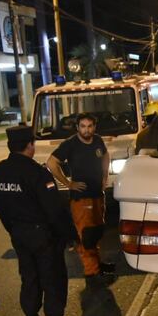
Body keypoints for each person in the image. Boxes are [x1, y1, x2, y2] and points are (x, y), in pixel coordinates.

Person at [0, 126, 80, 316]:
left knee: (29, 279)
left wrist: (14, 230)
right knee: (53, 279)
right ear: (30, 145)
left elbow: (0, 209)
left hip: (19, 236)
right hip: (43, 237)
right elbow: (55, 210)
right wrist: (70, 235)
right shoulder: (37, 174)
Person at [47, 114, 114, 284]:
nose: (86, 129)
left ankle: (97, 264)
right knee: (86, 235)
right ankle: (91, 272)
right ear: (77, 127)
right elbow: (51, 163)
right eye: (83, 126)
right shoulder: (70, 144)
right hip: (81, 199)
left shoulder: (97, 140)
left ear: (94, 127)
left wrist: (105, 176)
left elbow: (105, 156)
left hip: (98, 195)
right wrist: (68, 183)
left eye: (90, 126)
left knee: (97, 231)